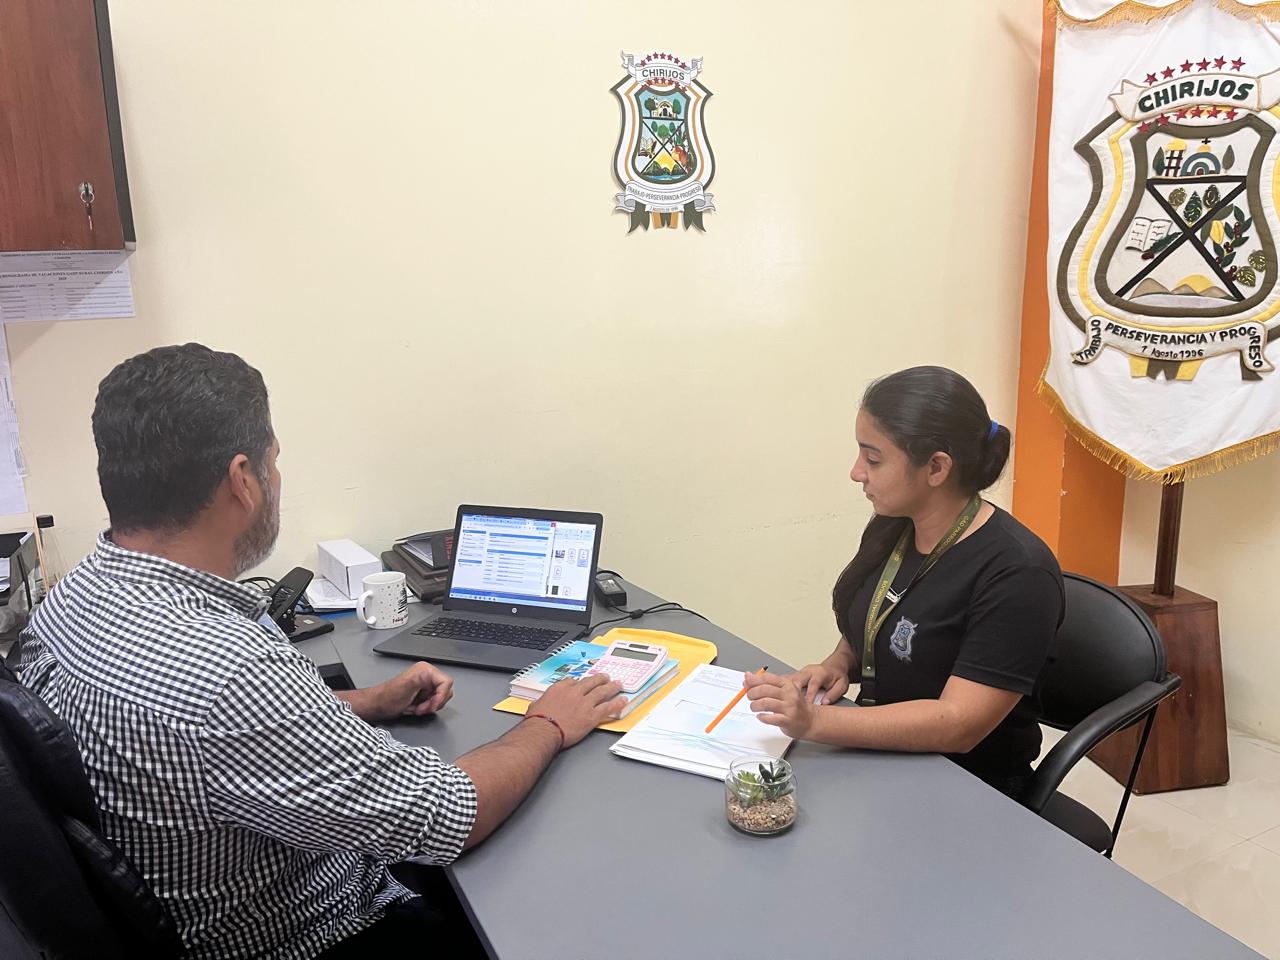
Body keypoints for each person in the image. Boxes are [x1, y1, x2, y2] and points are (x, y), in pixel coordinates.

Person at [17, 343, 626, 959]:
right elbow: (451, 816)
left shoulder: (72, 596)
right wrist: (549, 721)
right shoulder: (230, 671)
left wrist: (365, 701)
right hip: (314, 934)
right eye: (274, 461)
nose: (277, 479)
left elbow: (214, 743)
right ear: (242, 480)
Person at [744, 366, 1064, 800]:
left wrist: (816, 721)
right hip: (881, 754)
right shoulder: (895, 526)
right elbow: (881, 616)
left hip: (969, 785)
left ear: (936, 467)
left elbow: (959, 725)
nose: (857, 472)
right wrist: (838, 664)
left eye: (874, 459)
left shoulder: (1018, 573)